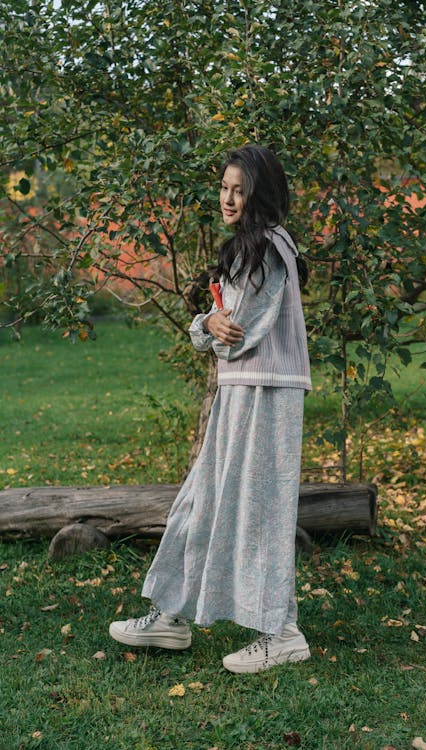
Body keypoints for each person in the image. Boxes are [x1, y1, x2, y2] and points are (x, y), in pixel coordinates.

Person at [109, 145, 312, 673]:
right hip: (241, 390)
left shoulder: (269, 248)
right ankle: (169, 615)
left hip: (268, 395)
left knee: (260, 511)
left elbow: (235, 332)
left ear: (259, 193)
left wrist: (204, 325)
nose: (227, 198)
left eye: (238, 189)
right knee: (201, 499)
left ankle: (281, 631)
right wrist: (211, 322)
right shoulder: (250, 246)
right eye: (223, 187)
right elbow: (227, 324)